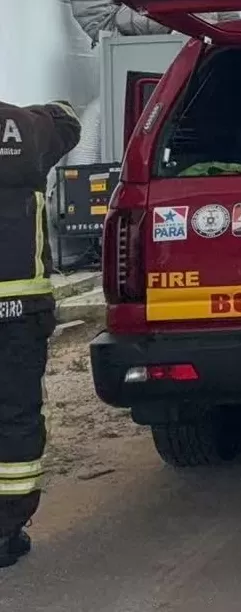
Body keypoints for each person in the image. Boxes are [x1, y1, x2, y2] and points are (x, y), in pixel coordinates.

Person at [0, 96, 81, 570]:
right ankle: (6, 529)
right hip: (18, 312)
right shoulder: (26, 129)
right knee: (15, 415)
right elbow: (67, 120)